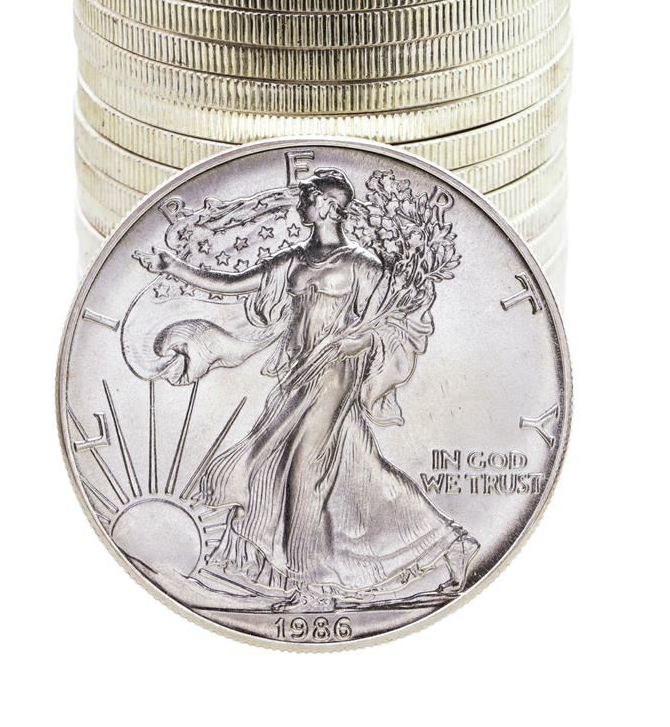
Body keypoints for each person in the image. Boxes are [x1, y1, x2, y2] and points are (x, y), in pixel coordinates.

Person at [142, 168, 478, 611]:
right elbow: (232, 285)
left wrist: (360, 340)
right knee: (358, 470)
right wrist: (175, 267)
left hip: (336, 375)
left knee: (305, 472)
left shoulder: (361, 264)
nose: (301, 204)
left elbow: (393, 321)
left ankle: (314, 586)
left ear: (327, 206)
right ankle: (451, 543)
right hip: (300, 375)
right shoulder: (294, 261)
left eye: (308, 197)